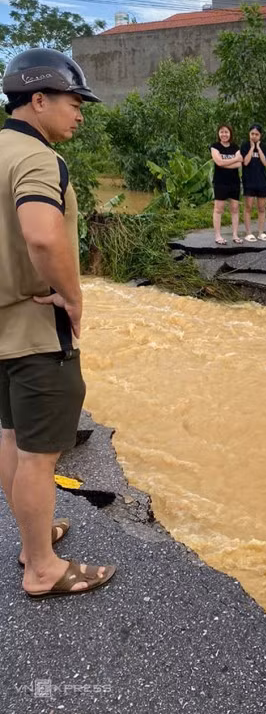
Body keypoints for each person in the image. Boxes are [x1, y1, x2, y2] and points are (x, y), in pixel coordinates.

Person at [0, 48, 116, 598]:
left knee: (9, 437)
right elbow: (43, 235)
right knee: (40, 453)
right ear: (38, 100)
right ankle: (43, 568)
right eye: (74, 101)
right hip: (35, 329)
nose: (80, 113)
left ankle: (32, 540)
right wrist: (71, 297)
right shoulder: (39, 159)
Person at [210, 125, 242, 244]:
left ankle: (235, 235)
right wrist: (234, 159)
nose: (224, 134)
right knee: (218, 209)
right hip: (220, 182)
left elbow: (239, 164)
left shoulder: (235, 147)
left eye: (226, 132)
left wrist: (224, 163)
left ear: (230, 134)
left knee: (234, 209)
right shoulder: (215, 146)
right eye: (222, 132)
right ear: (219, 134)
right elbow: (218, 162)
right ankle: (218, 236)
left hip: (234, 182)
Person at [241, 124, 266, 242]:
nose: (254, 136)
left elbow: (265, 163)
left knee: (262, 208)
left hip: (262, 181)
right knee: (248, 207)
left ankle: (261, 232)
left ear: (260, 135)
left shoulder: (264, 147)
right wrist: (251, 147)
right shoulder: (244, 146)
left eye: (256, 134)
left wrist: (258, 148)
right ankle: (248, 233)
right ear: (249, 134)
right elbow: (246, 162)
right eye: (252, 134)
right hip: (249, 181)